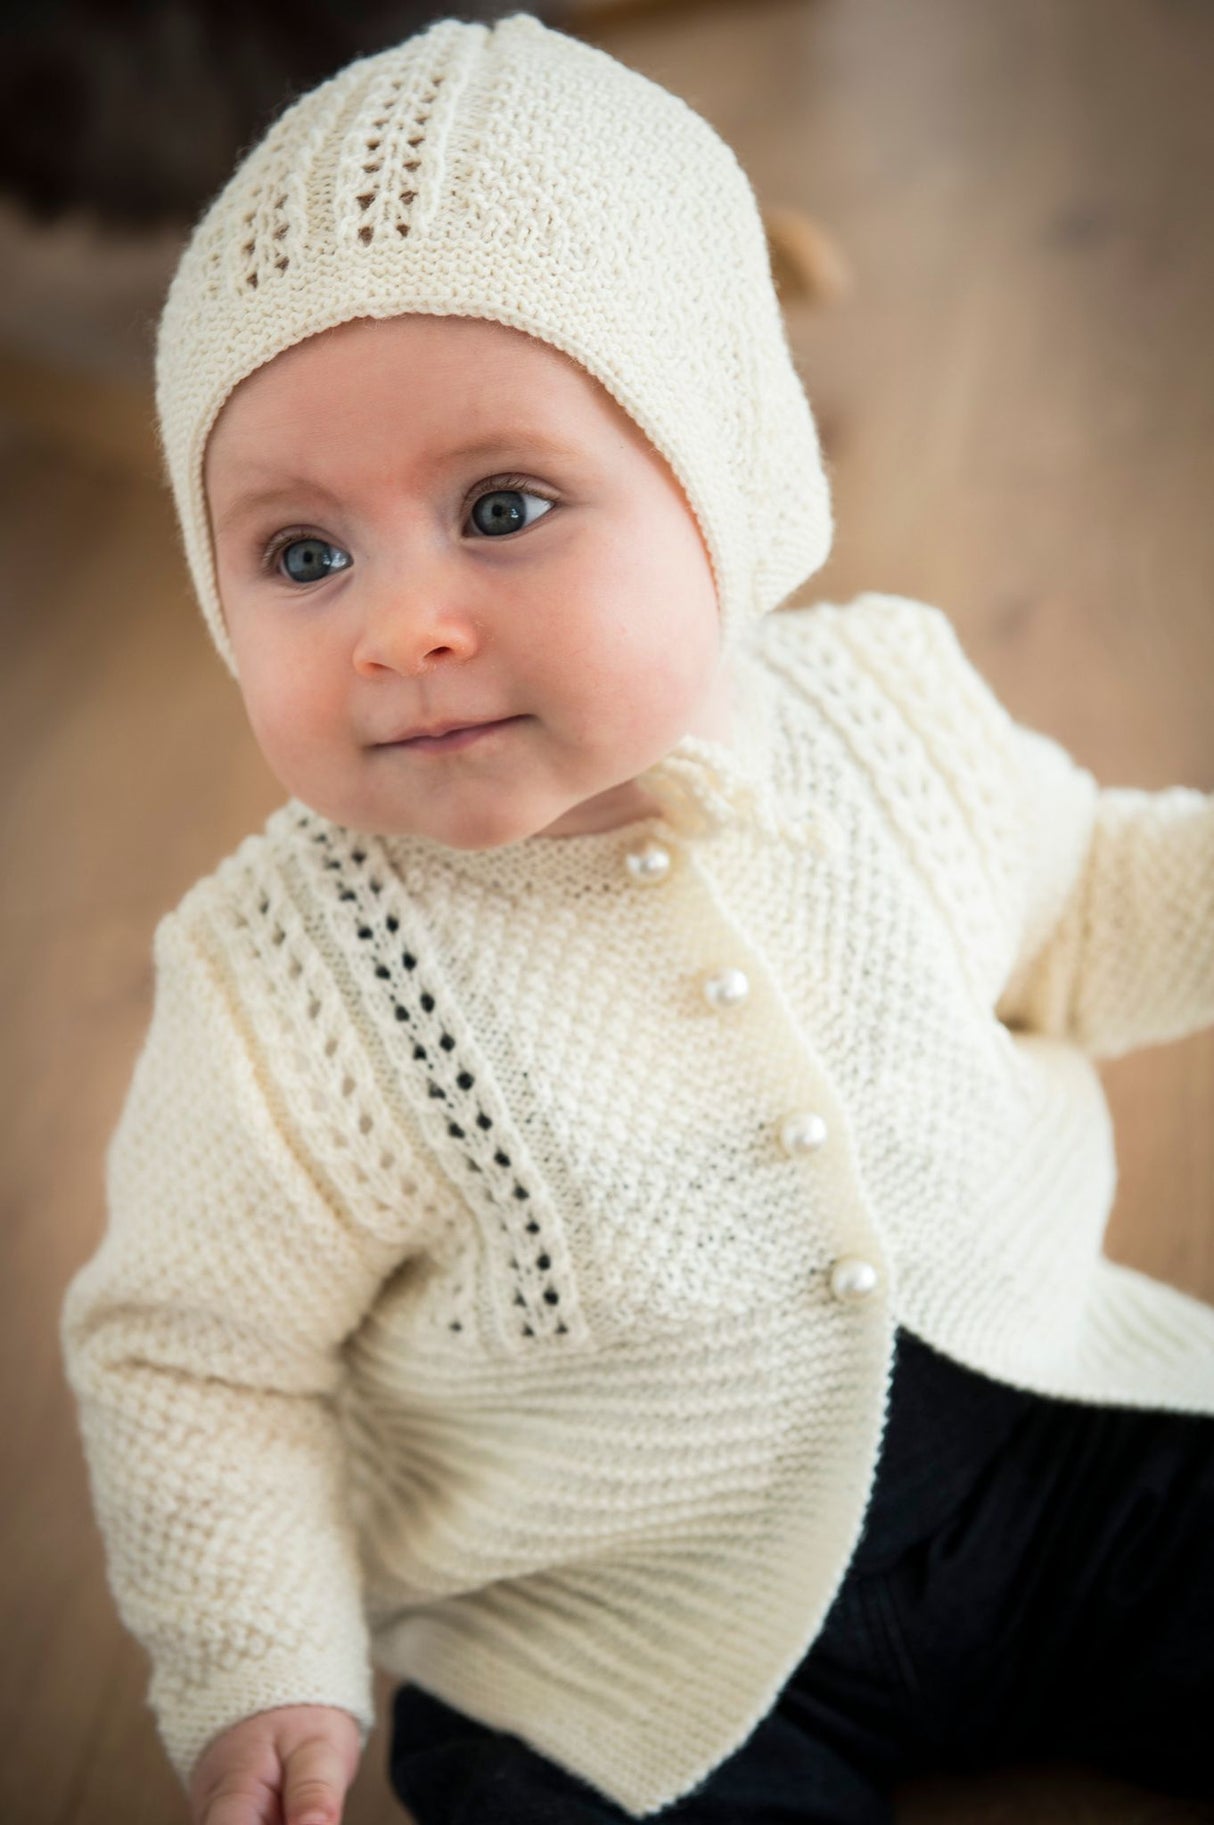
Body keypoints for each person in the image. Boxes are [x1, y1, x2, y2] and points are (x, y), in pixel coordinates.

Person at [59, 13, 1214, 1825]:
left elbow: (1087, 899)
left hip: (1048, 1466)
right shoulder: (286, 977)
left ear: (719, 479)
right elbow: (199, 1351)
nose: (400, 622)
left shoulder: (880, 708)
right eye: (302, 554)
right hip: (616, 1637)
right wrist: (256, 1649)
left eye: (501, 507)